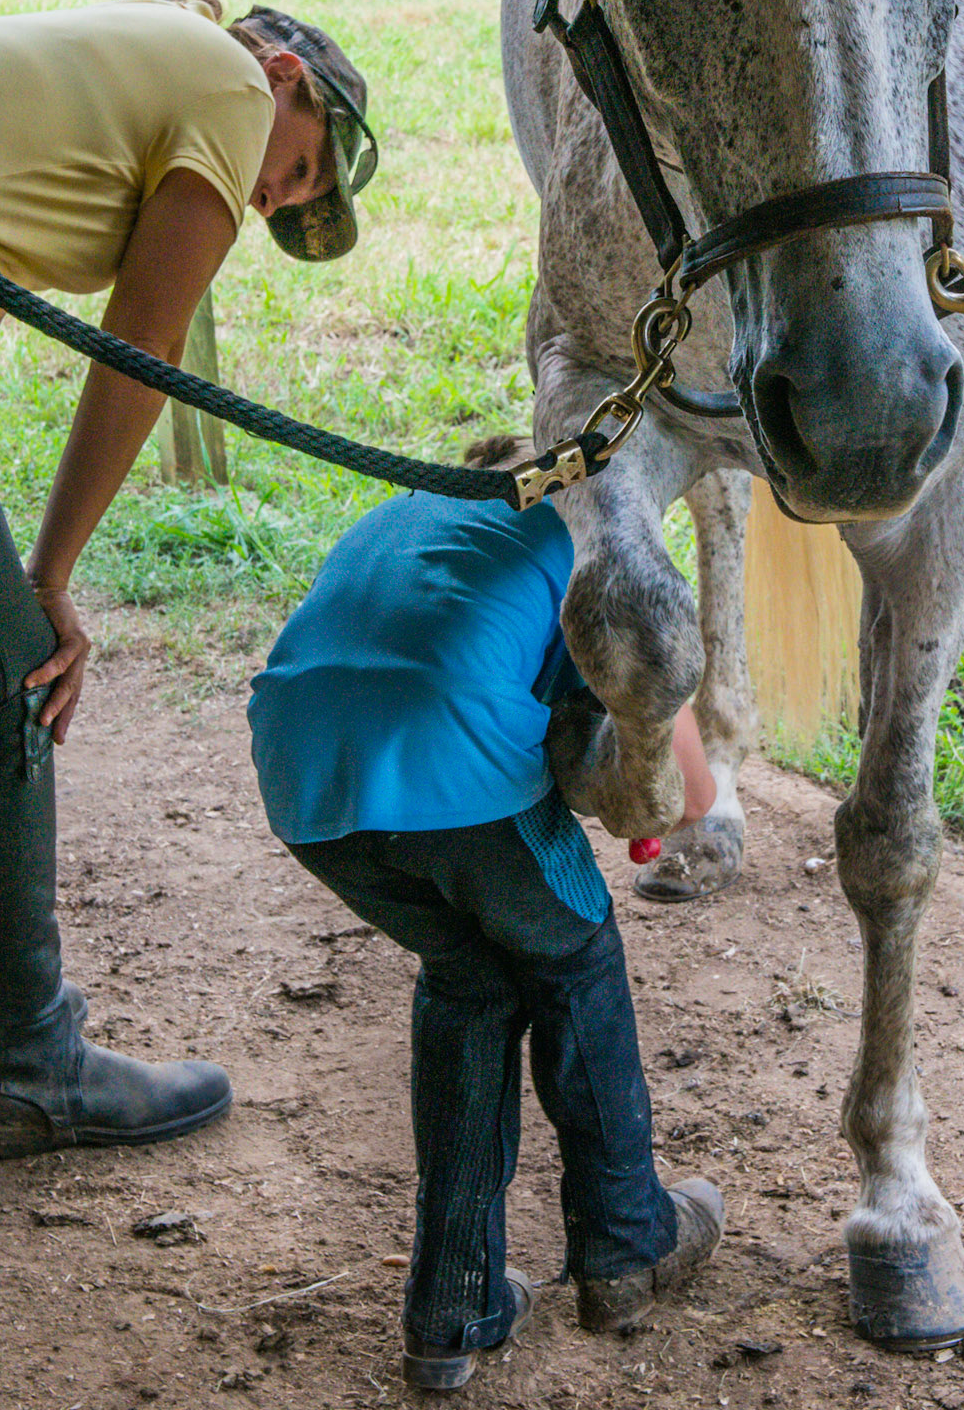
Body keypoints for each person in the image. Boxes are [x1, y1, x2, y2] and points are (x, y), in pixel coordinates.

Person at [0, 0, 377, 1158]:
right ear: (289, 78)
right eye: (299, 168)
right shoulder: (227, 88)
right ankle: (30, 1059)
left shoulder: (59, 102)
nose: (272, 196)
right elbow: (144, 343)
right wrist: (43, 582)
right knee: (12, 679)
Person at [247, 436, 725, 1392]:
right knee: (575, 952)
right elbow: (695, 793)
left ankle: (452, 1307)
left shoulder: (416, 511)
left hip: (301, 779)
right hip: (452, 765)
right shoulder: (601, 550)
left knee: (470, 975)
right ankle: (629, 1244)